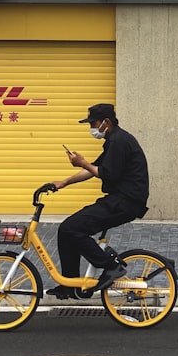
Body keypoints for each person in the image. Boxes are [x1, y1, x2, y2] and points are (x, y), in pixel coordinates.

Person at [46, 103, 149, 300]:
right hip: (119, 200)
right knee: (66, 230)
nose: (91, 128)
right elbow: (93, 169)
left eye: (93, 123)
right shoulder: (114, 140)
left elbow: (106, 174)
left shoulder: (119, 141)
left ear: (106, 122)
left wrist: (83, 162)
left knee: (72, 229)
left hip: (126, 202)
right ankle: (69, 284)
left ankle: (111, 267)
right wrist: (64, 182)